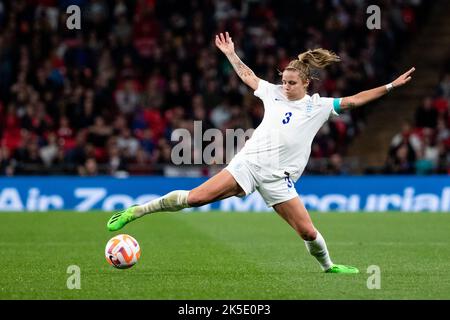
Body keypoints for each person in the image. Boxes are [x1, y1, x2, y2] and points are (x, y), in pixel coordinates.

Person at [107, 32, 415, 273]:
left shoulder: (318, 105)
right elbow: (248, 76)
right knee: (196, 198)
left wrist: (389, 86)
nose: (285, 86)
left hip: (279, 180)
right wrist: (230, 54)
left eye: (291, 83)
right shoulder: (272, 92)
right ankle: (138, 211)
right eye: (283, 81)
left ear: (305, 83)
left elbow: (355, 100)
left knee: (308, 232)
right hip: (250, 164)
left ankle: (329, 266)